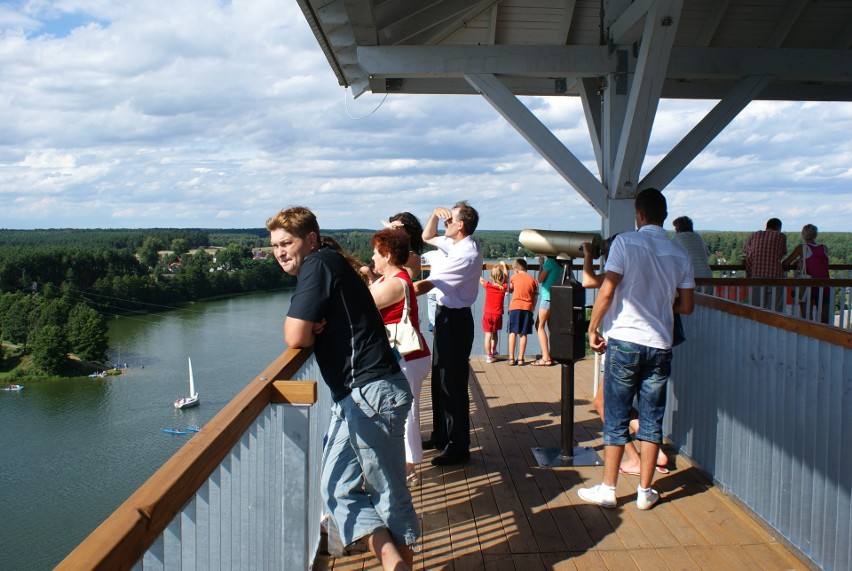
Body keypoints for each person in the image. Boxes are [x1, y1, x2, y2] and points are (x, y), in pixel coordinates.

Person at [268, 206, 419, 569]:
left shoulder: (317, 265)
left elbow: (294, 334)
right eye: (274, 245)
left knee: (387, 493)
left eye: (287, 242)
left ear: (311, 240)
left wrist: (308, 326)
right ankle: (393, 561)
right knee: (336, 488)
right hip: (355, 395)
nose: (280, 251)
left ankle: (401, 564)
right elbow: (303, 331)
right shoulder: (327, 262)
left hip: (371, 392)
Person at [579, 189, 694, 511]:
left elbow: (607, 290)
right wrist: (657, 300)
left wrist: (592, 328)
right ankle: (645, 491)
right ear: (664, 215)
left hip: (626, 341)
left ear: (639, 215)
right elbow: (686, 307)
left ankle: (609, 488)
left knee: (615, 416)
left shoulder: (626, 243)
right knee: (651, 419)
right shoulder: (678, 253)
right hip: (660, 344)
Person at [581, 236, 669, 475]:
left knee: (605, 405)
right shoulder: (645, 270)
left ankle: (637, 460)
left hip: (621, 345)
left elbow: (588, 281)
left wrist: (588, 254)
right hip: (655, 343)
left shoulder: (617, 273)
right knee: (642, 408)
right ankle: (654, 451)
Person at [413, 201, 483, 466]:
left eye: (448, 220)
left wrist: (391, 292)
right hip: (446, 317)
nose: (445, 223)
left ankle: (458, 447)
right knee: (440, 380)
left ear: (460, 225)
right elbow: (427, 236)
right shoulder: (457, 245)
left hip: (455, 321)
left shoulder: (465, 254)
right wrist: (432, 214)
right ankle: (441, 436)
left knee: (452, 384)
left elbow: (427, 285)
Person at [367, 228, 432, 488]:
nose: (372, 257)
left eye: (376, 253)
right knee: (402, 412)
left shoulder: (396, 282)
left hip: (408, 355)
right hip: (403, 355)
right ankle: (406, 467)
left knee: (407, 414)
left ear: (388, 255)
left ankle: (410, 469)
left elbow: (360, 306)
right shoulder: (390, 278)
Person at [783, 223, 831, 323]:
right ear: (815, 234)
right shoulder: (824, 248)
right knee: (824, 319)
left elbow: (786, 263)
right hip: (824, 284)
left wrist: (798, 261)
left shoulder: (802, 248)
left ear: (803, 234)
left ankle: (809, 337)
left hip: (807, 286)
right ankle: (824, 337)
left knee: (807, 319)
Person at [743, 218, 787, 311]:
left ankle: (755, 325)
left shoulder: (754, 235)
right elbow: (782, 253)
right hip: (775, 277)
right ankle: (774, 325)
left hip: (756, 276)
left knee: (756, 309)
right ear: (779, 227)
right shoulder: (781, 236)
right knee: (775, 310)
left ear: (766, 226)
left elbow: (746, 252)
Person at [506, 258, 538, 366]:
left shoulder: (514, 277)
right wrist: (532, 308)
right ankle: (521, 358)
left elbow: (510, 289)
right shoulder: (533, 280)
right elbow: (535, 297)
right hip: (527, 308)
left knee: (512, 332)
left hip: (515, 307)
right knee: (523, 334)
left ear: (515, 269)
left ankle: (511, 358)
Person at [532, 255, 562, 366]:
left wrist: (541, 264)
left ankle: (545, 358)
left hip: (547, 298)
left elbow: (540, 279)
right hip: (557, 297)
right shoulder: (561, 263)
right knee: (551, 327)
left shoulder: (549, 262)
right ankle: (553, 354)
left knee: (539, 326)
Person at [671, 216, 712, 293]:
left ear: (678, 229)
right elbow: (707, 253)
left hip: (690, 278)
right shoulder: (698, 236)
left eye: (675, 228)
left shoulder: (677, 237)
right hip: (707, 277)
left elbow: (670, 257)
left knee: (686, 303)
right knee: (706, 303)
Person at [479, 261, 509, 363]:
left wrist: (480, 267)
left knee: (488, 335)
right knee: (495, 333)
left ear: (491, 277)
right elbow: (506, 277)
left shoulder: (488, 286)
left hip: (488, 314)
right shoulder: (503, 288)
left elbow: (480, 278)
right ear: (501, 278)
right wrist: (504, 265)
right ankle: (494, 350)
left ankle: (489, 356)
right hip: (497, 315)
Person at [419, 249, 445, 332]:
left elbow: (418, 261)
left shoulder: (431, 255)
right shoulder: (456, 255)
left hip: (432, 290)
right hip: (447, 292)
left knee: (434, 324)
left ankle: (436, 342)